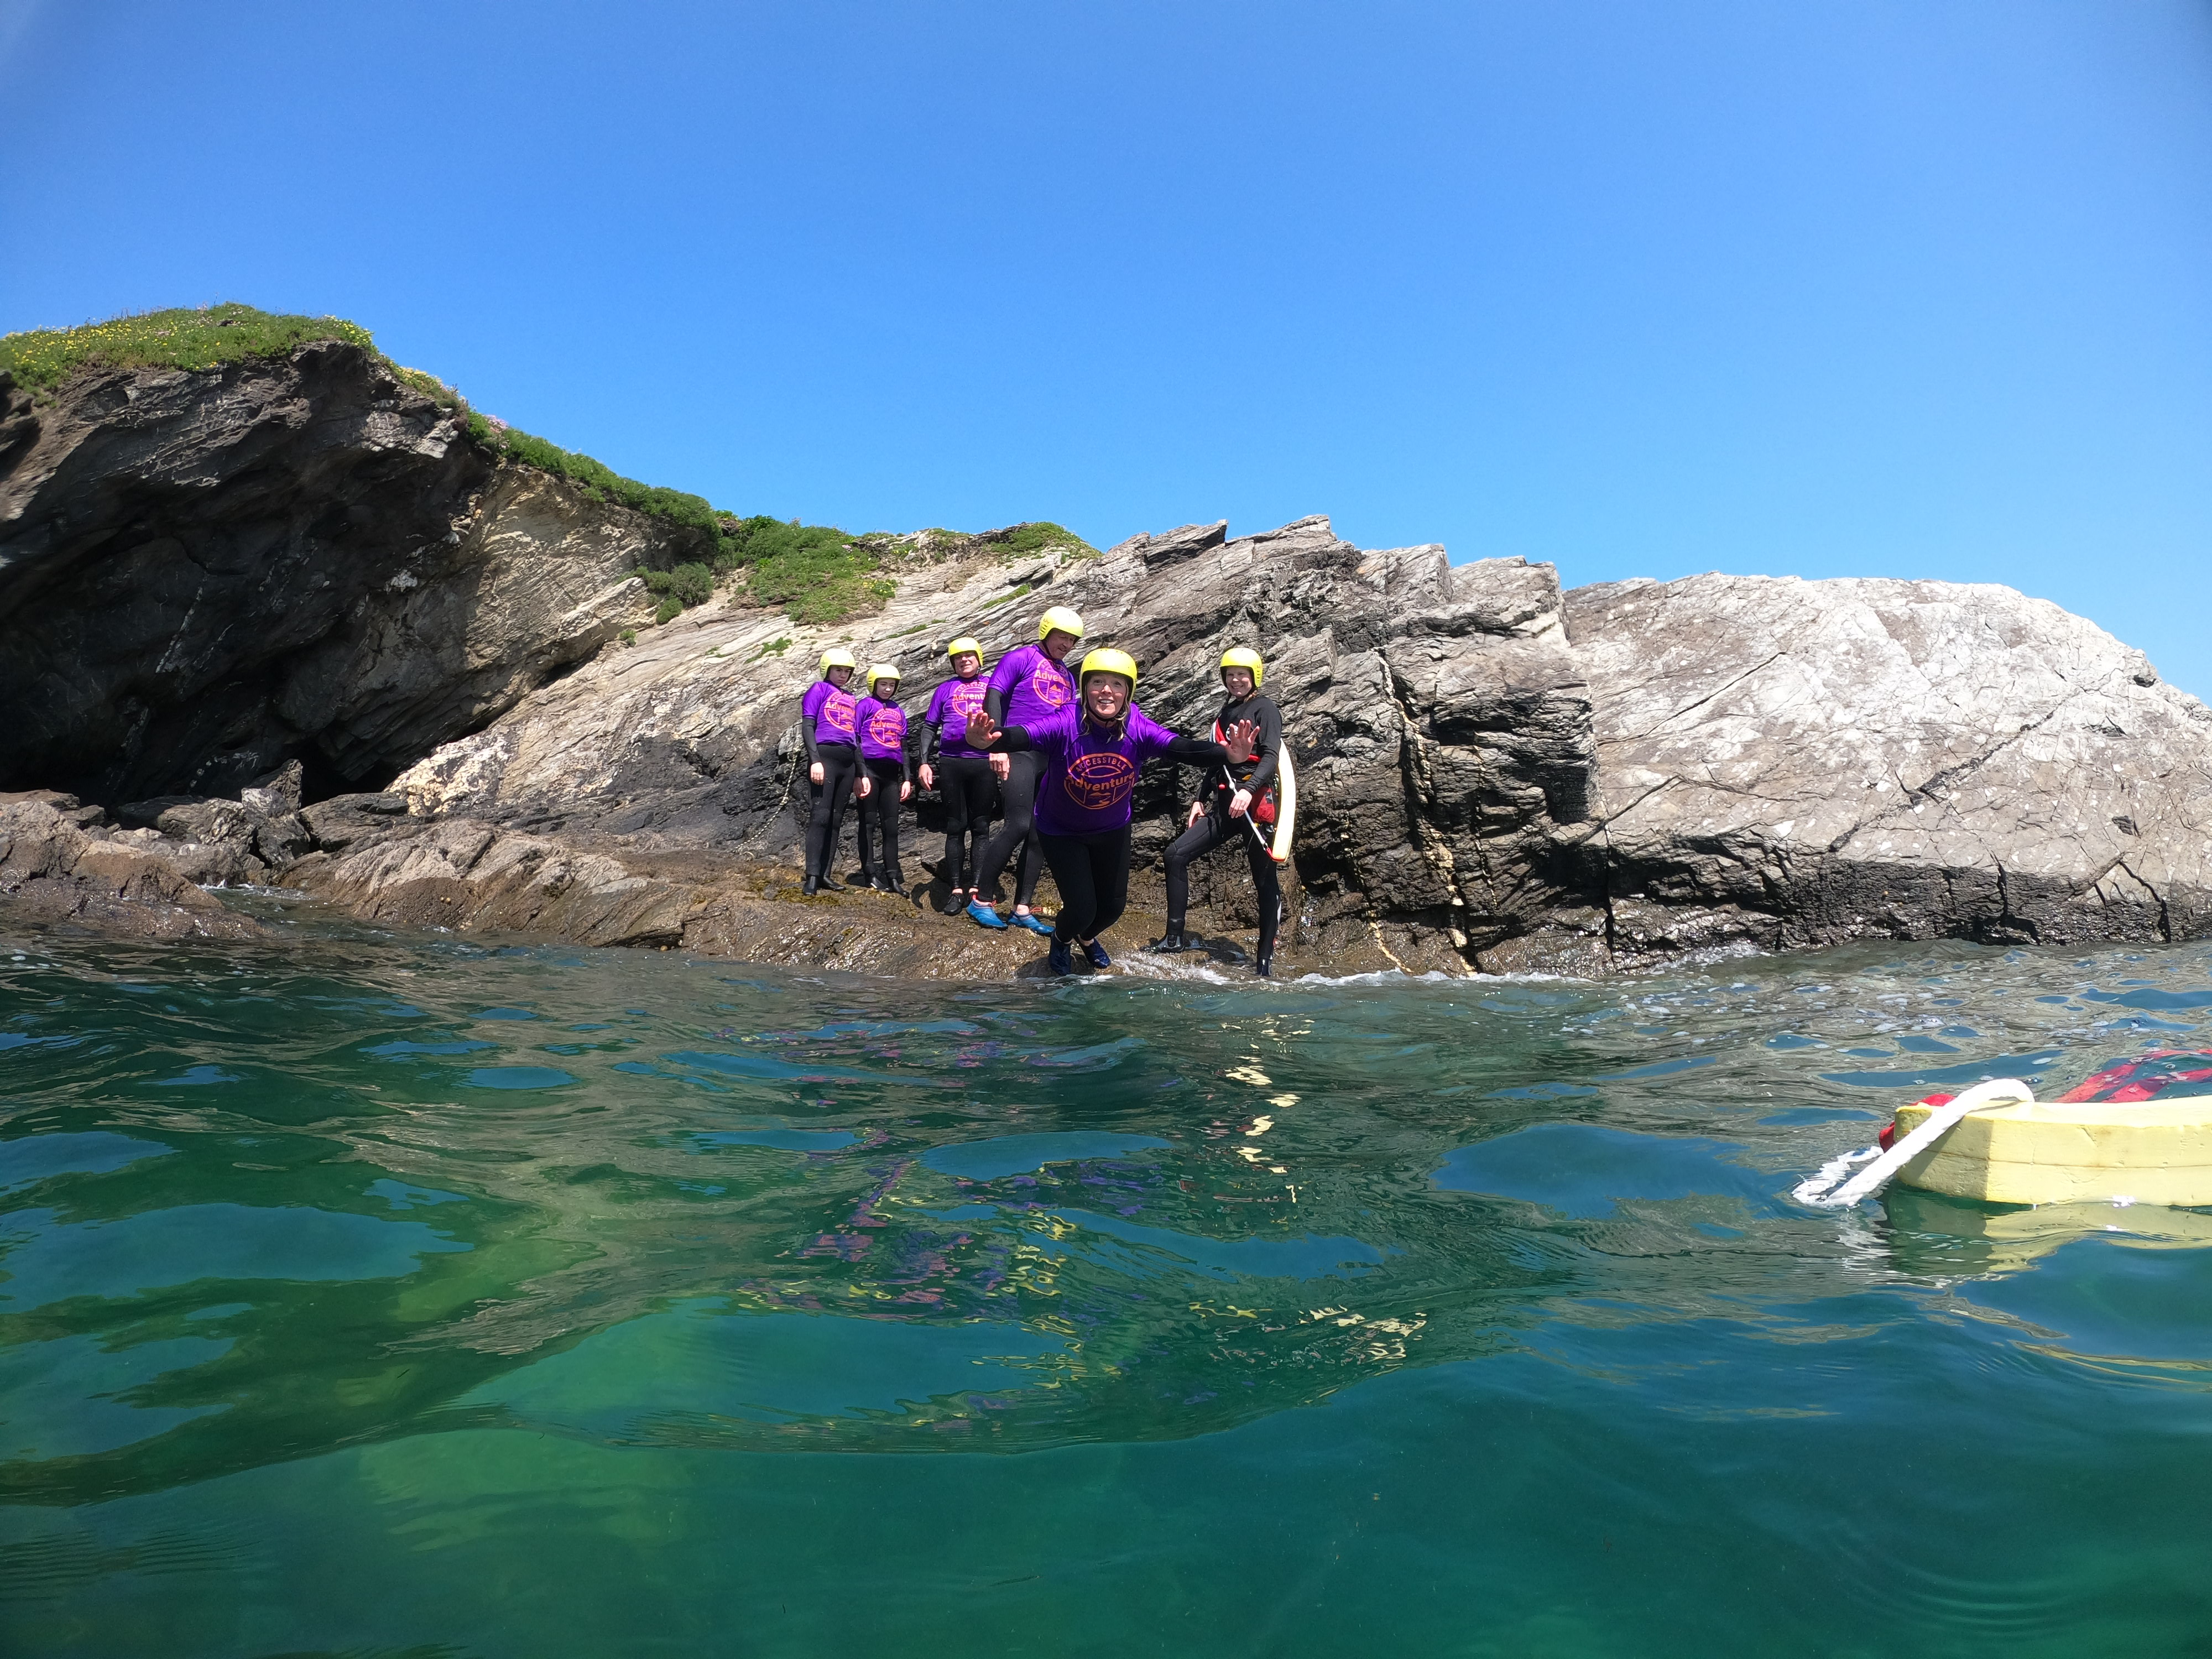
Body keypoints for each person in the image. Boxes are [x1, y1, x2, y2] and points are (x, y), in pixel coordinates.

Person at [966, 647, 1257, 977]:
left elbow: (1181, 747)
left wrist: (1228, 755)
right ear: (1085, 688)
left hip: (1113, 828)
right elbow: (1027, 734)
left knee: (1113, 908)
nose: (1107, 690)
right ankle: (1062, 939)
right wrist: (991, 741)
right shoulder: (1065, 720)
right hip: (1062, 830)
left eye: (1117, 684)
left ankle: (1086, 938)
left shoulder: (1138, 726)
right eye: (1098, 683)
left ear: (1128, 693)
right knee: (1081, 908)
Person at [1155, 646, 1286, 977]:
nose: (1236, 680)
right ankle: (1174, 939)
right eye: (1230, 675)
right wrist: (1200, 798)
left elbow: (1270, 758)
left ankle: (1264, 964)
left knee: (1264, 881)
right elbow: (1218, 760)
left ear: (1254, 676)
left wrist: (1249, 789)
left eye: (1242, 674)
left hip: (1257, 807)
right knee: (1175, 855)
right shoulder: (1225, 713)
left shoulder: (1266, 708)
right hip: (1226, 806)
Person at [965, 606, 1084, 935]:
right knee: (1016, 824)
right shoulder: (1020, 658)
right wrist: (997, 746)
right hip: (1019, 750)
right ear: (1047, 632)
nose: (1067, 644)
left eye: (1073, 640)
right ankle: (981, 899)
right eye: (1063, 637)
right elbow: (995, 694)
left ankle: (1022, 907)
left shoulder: (1066, 675)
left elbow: (1070, 718)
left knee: (1040, 831)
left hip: (1051, 757)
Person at [917, 636, 996, 915]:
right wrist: (924, 763)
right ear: (953, 663)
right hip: (952, 763)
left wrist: (1006, 753)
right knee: (955, 827)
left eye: (969, 656)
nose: (964, 660)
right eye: (958, 657)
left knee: (981, 827)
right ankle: (955, 888)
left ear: (978, 659)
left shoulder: (992, 686)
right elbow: (929, 727)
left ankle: (976, 888)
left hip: (984, 763)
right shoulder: (945, 689)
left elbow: (1008, 721)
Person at [799, 647, 872, 895]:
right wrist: (815, 760)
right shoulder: (818, 690)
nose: (843, 675)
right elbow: (808, 725)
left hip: (848, 761)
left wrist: (861, 773)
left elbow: (855, 738)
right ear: (827, 671)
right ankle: (811, 875)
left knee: (836, 819)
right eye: (838, 670)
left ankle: (825, 874)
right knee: (820, 816)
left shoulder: (851, 698)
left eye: (846, 671)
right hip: (825, 756)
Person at [852, 662, 914, 894]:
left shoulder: (898, 710)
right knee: (868, 824)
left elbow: (904, 746)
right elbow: (855, 739)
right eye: (883, 685)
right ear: (874, 685)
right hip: (870, 770)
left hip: (891, 775)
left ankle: (892, 876)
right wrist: (860, 774)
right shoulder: (865, 706)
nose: (887, 689)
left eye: (891, 685)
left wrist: (907, 779)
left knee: (891, 828)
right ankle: (869, 874)